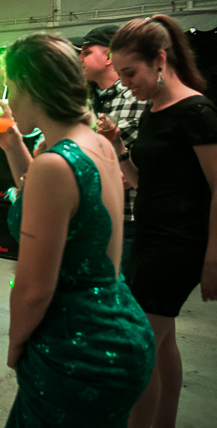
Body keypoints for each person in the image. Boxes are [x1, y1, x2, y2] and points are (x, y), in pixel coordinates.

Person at [0, 33, 155, 426]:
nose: (8, 99)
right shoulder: (97, 143)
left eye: (10, 86)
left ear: (30, 86)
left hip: (80, 345)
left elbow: (32, 292)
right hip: (121, 323)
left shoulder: (55, 164)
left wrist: (16, 346)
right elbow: (48, 203)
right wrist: (13, 145)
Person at [109, 15, 217, 428]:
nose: (126, 82)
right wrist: (119, 148)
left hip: (177, 248)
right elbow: (145, 183)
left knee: (136, 352)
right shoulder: (154, 110)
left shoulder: (196, 111)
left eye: (130, 72)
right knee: (162, 348)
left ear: (159, 59)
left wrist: (213, 261)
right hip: (149, 239)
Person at [78, 24, 149, 278]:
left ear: (109, 56)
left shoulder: (138, 97)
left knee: (122, 301)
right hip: (93, 217)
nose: (80, 58)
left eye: (86, 52)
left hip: (127, 220)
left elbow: (148, 164)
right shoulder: (90, 98)